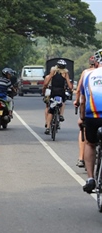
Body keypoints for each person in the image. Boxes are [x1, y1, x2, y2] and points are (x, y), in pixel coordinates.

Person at [78, 49, 102, 193]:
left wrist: (81, 118)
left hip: (92, 115)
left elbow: (83, 100)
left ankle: (90, 178)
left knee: (90, 143)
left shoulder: (88, 74)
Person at [73, 56, 97, 168]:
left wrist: (76, 102)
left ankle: (81, 157)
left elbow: (79, 91)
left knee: (83, 128)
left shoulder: (86, 73)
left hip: (90, 109)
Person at [42, 59, 73, 135]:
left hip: (53, 92)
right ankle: (61, 115)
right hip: (61, 92)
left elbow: (46, 83)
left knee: (51, 110)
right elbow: (69, 85)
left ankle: (48, 127)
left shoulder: (53, 71)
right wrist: (71, 90)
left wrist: (45, 87)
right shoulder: (65, 73)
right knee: (62, 103)